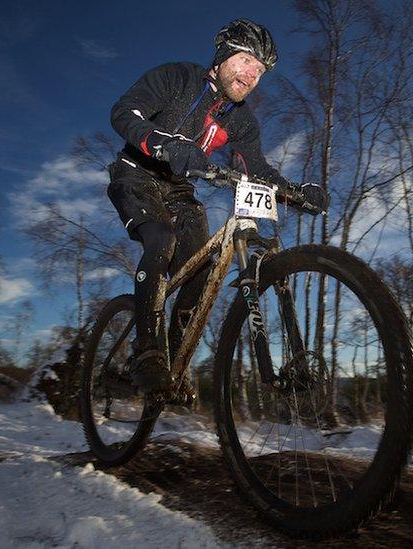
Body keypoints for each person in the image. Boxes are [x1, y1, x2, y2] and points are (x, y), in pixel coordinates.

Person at [106, 19, 328, 395]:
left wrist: (296, 192)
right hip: (136, 173)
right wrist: (165, 144)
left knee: (201, 268)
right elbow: (125, 113)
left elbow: (258, 170)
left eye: (259, 71)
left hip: (178, 187)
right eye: (245, 61)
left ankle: (174, 364)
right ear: (223, 56)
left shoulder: (241, 120)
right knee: (161, 240)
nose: (251, 75)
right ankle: (147, 354)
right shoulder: (177, 78)